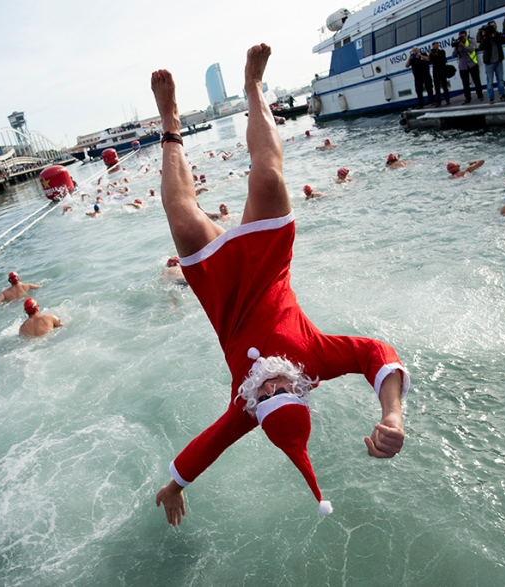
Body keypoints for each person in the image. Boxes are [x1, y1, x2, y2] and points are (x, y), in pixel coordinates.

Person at [151, 44, 409, 526]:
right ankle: (253, 88)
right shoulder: (316, 361)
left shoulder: (244, 406)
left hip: (220, 293)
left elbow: (207, 446)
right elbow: (378, 353)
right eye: (281, 390)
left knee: (182, 218)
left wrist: (173, 485)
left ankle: (170, 123)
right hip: (269, 268)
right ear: (301, 389)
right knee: (268, 177)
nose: (268, 386)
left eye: (265, 397)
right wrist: (392, 414)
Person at [477, 21, 505, 103]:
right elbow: (481, 47)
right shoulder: (485, 37)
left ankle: (502, 95)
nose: (492, 27)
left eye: (493, 26)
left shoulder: (497, 34)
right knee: (489, 81)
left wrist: (494, 35)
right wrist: (485, 37)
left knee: (500, 79)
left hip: (498, 61)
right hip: (489, 62)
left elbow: (503, 39)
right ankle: (491, 97)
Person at [452, 30, 484, 104]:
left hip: (472, 63)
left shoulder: (470, 41)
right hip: (463, 66)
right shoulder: (458, 43)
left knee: (476, 80)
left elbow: (471, 50)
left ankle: (480, 95)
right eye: (460, 37)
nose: (461, 38)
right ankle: (467, 98)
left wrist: (463, 46)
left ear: (465, 36)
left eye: (462, 36)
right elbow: (453, 55)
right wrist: (456, 48)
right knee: (465, 83)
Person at [428, 41, 452, 106]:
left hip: (442, 70)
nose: (435, 48)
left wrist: (436, 54)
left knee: (444, 86)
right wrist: (430, 54)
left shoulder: (442, 52)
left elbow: (442, 59)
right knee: (437, 88)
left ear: (438, 46)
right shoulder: (432, 54)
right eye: (433, 47)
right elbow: (429, 61)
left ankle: (447, 99)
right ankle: (438, 101)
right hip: (435, 72)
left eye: (436, 46)